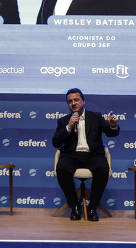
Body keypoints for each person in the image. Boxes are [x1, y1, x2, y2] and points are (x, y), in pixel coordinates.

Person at [52, 88, 120, 221]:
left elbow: (111, 133)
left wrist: (113, 126)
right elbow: (55, 142)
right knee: (62, 168)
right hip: (72, 156)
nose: (73, 103)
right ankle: (75, 207)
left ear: (83, 101)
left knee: (103, 168)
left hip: (93, 155)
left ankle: (92, 208)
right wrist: (69, 127)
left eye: (76, 100)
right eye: (70, 101)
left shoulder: (96, 118)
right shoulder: (63, 121)